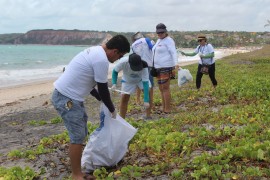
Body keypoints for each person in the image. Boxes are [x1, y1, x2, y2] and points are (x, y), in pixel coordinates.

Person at [51, 35, 130, 180]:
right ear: (115, 51)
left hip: (71, 97)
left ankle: (78, 171)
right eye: (120, 56)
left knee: (81, 132)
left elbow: (91, 84)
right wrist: (112, 109)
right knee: (77, 136)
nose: (119, 59)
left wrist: (100, 99)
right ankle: (76, 175)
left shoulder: (95, 51)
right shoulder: (101, 60)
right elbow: (103, 88)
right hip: (66, 98)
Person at [111, 53, 150, 119]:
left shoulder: (144, 65)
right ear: (129, 63)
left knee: (148, 93)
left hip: (140, 80)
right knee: (124, 98)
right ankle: (122, 119)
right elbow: (115, 71)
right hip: (127, 81)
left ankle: (148, 116)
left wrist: (146, 100)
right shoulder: (123, 62)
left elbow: (145, 82)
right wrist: (114, 83)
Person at [152, 23, 178, 114]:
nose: (160, 34)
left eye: (162, 32)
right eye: (158, 33)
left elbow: (173, 52)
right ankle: (163, 107)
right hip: (157, 67)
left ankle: (168, 108)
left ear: (165, 32)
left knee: (165, 88)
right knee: (161, 88)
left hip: (166, 66)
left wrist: (176, 64)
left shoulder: (169, 40)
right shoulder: (158, 41)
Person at [131, 32, 154, 119]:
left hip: (138, 66)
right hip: (148, 65)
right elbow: (153, 49)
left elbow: (134, 56)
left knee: (140, 84)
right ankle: (150, 106)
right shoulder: (146, 40)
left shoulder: (133, 45)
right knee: (149, 86)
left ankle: (137, 100)